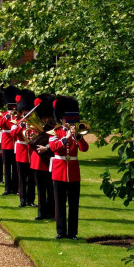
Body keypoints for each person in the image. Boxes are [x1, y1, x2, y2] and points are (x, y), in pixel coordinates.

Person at [48, 96, 89, 240]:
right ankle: (61, 231)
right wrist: (66, 137)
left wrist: (78, 137)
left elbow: (85, 149)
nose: (69, 121)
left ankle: (72, 233)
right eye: (66, 118)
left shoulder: (76, 132)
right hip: (59, 172)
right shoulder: (55, 132)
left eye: (70, 118)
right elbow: (54, 147)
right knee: (59, 204)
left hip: (73, 172)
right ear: (60, 119)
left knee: (73, 204)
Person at [30, 94, 56, 222]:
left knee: (51, 189)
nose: (46, 119)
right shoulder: (37, 125)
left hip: (49, 159)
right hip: (37, 160)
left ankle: (51, 212)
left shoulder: (54, 127)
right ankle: (41, 212)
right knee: (40, 189)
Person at [14, 89, 38, 208]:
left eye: (28, 113)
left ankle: (31, 200)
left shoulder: (34, 123)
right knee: (22, 179)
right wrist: (21, 125)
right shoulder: (18, 122)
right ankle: (22, 200)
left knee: (32, 180)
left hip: (32, 153)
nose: (26, 115)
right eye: (24, 113)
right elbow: (13, 134)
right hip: (22, 153)